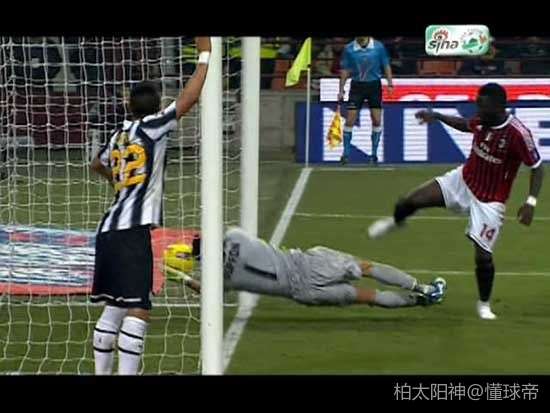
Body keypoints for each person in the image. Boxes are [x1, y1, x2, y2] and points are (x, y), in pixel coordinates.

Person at [368, 83, 544, 320]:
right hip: (462, 181)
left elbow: (537, 167)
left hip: (490, 201)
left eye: (483, 106)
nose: (478, 111)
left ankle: (484, 305)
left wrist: (530, 202)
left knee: (483, 257)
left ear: (499, 107)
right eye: (478, 105)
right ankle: (396, 222)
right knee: (409, 201)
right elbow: (465, 125)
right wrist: (438, 116)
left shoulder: (517, 134)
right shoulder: (483, 119)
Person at [89, 37, 212, 375]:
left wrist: (119, 183)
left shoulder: (119, 134)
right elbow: (189, 98)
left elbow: (97, 164)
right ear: (156, 106)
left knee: (114, 308)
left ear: (129, 106)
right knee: (139, 309)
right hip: (132, 232)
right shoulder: (154, 127)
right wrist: (205, 56)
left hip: (108, 229)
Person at [165, 227, 448, 309]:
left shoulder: (222, 280)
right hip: (308, 265)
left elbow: (207, 291)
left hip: (302, 293)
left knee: (368, 297)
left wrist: (181, 277)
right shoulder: (234, 236)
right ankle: (422, 288)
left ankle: (418, 302)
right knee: (366, 268)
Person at [338, 36, 394, 165]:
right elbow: (345, 70)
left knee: (377, 120)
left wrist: (390, 83)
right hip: (357, 86)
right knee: (350, 119)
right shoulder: (349, 49)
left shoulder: (378, 47)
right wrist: (341, 89)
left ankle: (374, 154)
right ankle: (346, 154)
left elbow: (386, 65)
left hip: (374, 86)